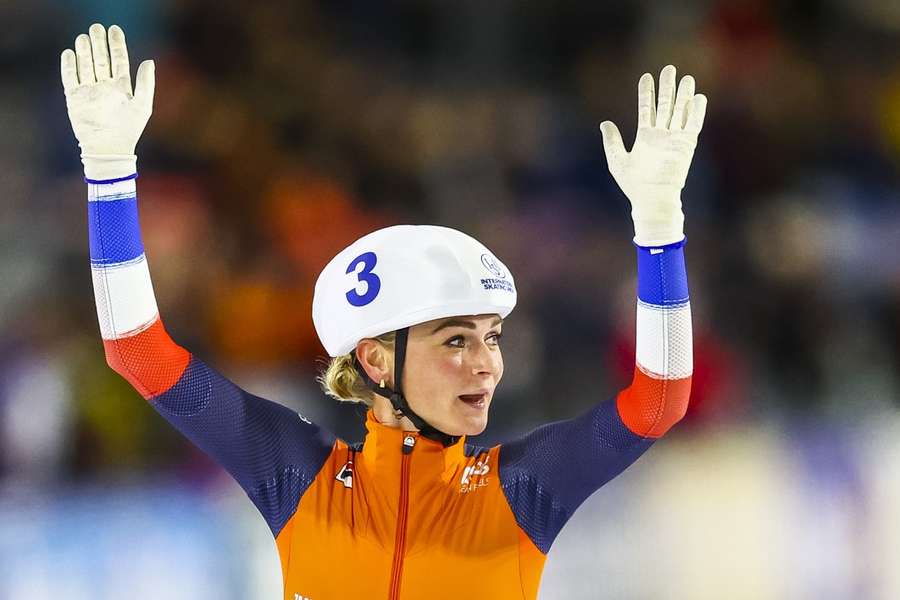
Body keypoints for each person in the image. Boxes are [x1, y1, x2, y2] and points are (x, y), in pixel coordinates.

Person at [61, 23, 705, 600]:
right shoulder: (293, 473)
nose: (487, 365)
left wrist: (658, 225)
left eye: (493, 337)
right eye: (455, 340)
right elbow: (135, 350)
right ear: (374, 358)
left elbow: (662, 398)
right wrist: (109, 171)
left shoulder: (526, 488)